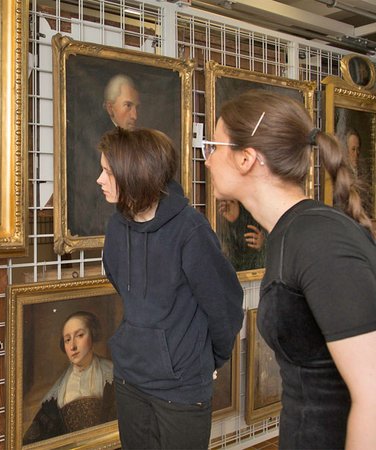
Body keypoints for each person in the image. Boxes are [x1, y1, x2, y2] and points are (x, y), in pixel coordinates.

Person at [204, 90, 376, 449]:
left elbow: (373, 397)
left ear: (247, 158)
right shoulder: (290, 232)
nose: (207, 160)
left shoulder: (319, 239)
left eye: (214, 146)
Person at [97, 127, 244, 449]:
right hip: (130, 378)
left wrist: (205, 360)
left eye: (108, 171)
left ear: (134, 174)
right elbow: (123, 286)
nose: (99, 179)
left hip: (181, 388)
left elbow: (226, 305)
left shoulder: (190, 230)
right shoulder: (115, 225)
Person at [23, 311, 115, 445]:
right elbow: (33, 440)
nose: (73, 346)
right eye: (67, 340)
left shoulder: (112, 375)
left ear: (93, 335)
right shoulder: (56, 395)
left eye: (80, 335)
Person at [67, 74, 140, 238]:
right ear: (110, 107)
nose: (134, 115)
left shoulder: (133, 141)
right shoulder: (91, 138)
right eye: (128, 105)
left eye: (136, 107)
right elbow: (87, 197)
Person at [218, 199, 265, 271]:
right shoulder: (218, 223)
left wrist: (262, 245)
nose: (228, 205)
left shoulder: (254, 221)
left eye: (231, 201)